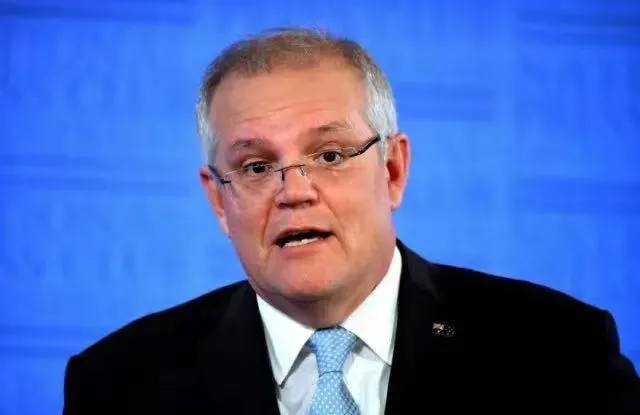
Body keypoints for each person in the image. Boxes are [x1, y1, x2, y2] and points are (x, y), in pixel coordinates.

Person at [62, 27, 640, 414]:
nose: (295, 191)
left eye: (330, 155)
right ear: (219, 200)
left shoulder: (559, 353)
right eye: (257, 166)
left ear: (393, 170)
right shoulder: (118, 385)